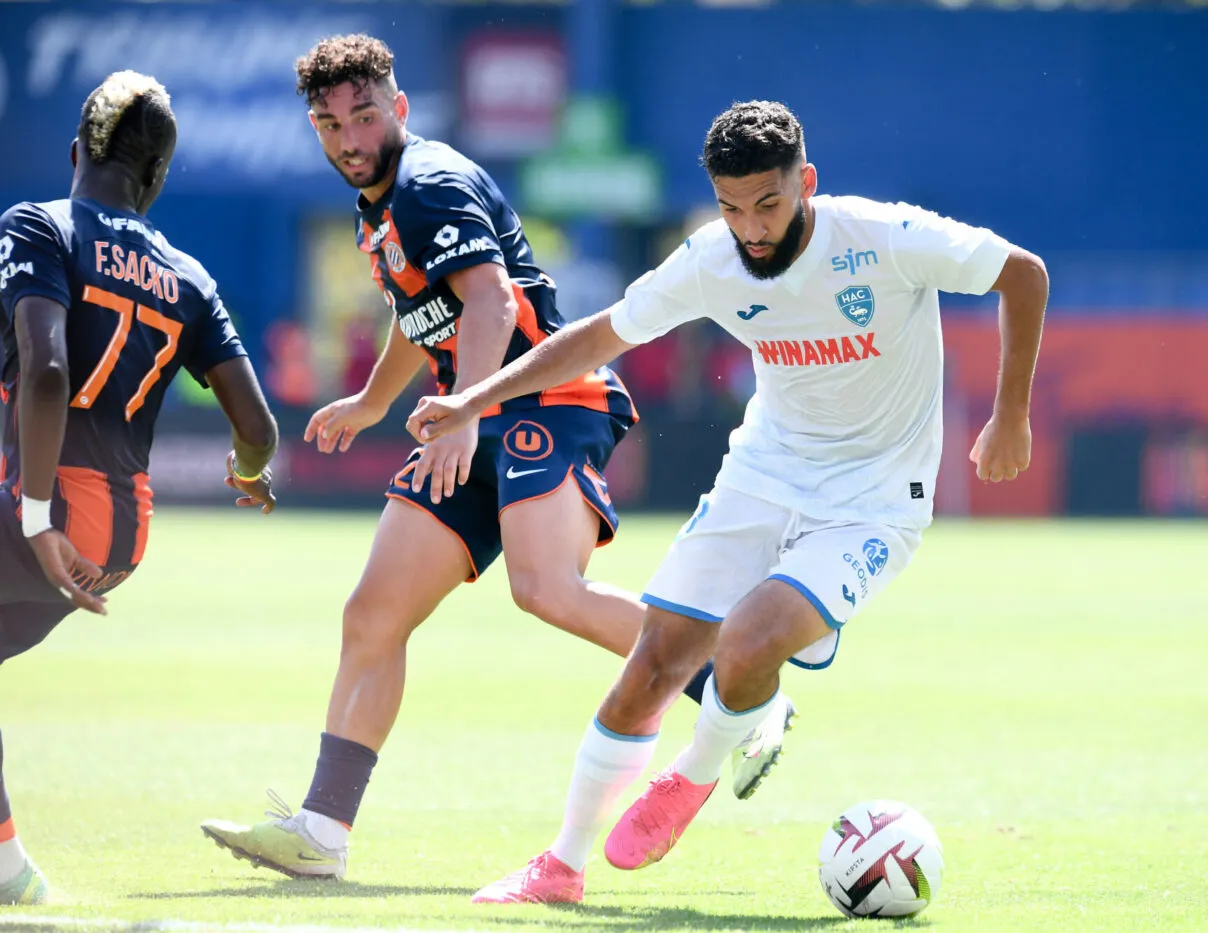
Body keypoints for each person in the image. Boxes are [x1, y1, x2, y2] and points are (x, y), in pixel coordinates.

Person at [406, 100, 1049, 905]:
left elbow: (1023, 273)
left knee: (745, 643)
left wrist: (1011, 414)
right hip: (763, 477)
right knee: (653, 664)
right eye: (731, 207)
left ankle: (694, 772)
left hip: (874, 500)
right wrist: (474, 400)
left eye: (767, 204)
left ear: (805, 182)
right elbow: (601, 335)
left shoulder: (883, 236)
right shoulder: (714, 258)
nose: (751, 228)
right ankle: (561, 866)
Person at [199, 36, 791, 882]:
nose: (349, 138)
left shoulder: (428, 184)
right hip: (470, 412)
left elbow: (491, 299)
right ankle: (321, 830)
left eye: (364, 116)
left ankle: (743, 685)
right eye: (330, 124)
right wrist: (374, 402)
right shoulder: (380, 205)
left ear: (399, 109)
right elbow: (424, 313)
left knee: (547, 588)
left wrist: (465, 414)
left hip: (548, 398)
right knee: (373, 612)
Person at [0, 71, 280, 905]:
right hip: (120, 542)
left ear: (76, 153)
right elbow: (258, 428)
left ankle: (11, 870)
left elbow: (48, 373)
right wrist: (248, 474)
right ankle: (10, 871)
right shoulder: (190, 277)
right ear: (156, 176)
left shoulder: (38, 226)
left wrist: (36, 516)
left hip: (47, 516)